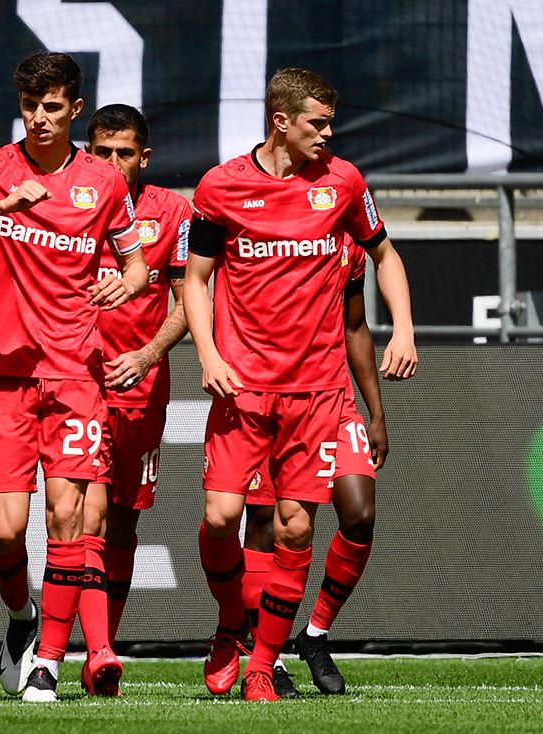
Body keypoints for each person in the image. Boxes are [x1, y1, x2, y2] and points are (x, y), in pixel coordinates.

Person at [184, 67, 416, 702]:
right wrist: (208, 353)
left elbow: (385, 255)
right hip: (243, 388)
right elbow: (195, 279)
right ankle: (233, 620)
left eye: (330, 122)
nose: (329, 133)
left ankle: (263, 662)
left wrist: (405, 330)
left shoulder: (342, 182)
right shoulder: (220, 187)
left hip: (316, 391)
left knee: (293, 528)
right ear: (280, 122)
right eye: (318, 122)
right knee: (220, 517)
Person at [0, 51, 149, 704]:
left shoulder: (104, 184)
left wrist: (122, 281)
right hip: (6, 373)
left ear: (75, 109)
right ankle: (24, 621)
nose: (40, 117)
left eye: (52, 106)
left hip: (76, 373)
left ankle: (48, 665)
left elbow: (138, 265)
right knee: (4, 530)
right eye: (30, 105)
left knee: (67, 516)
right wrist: (2, 204)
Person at [240, 234, 411, 698]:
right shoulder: (266, 226)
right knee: (262, 523)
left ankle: (314, 635)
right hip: (266, 398)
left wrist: (375, 414)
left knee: (360, 514)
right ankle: (264, 658)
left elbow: (354, 327)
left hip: (333, 402)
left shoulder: (349, 245)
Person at [73, 103, 191, 696]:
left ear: (144, 157)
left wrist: (146, 356)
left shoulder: (174, 212)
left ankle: (103, 649)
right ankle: (51, 644)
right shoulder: (65, 198)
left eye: (124, 153)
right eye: (102, 152)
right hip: (74, 382)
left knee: (120, 522)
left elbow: (189, 299)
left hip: (140, 388)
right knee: (73, 517)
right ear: (87, 150)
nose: (112, 163)